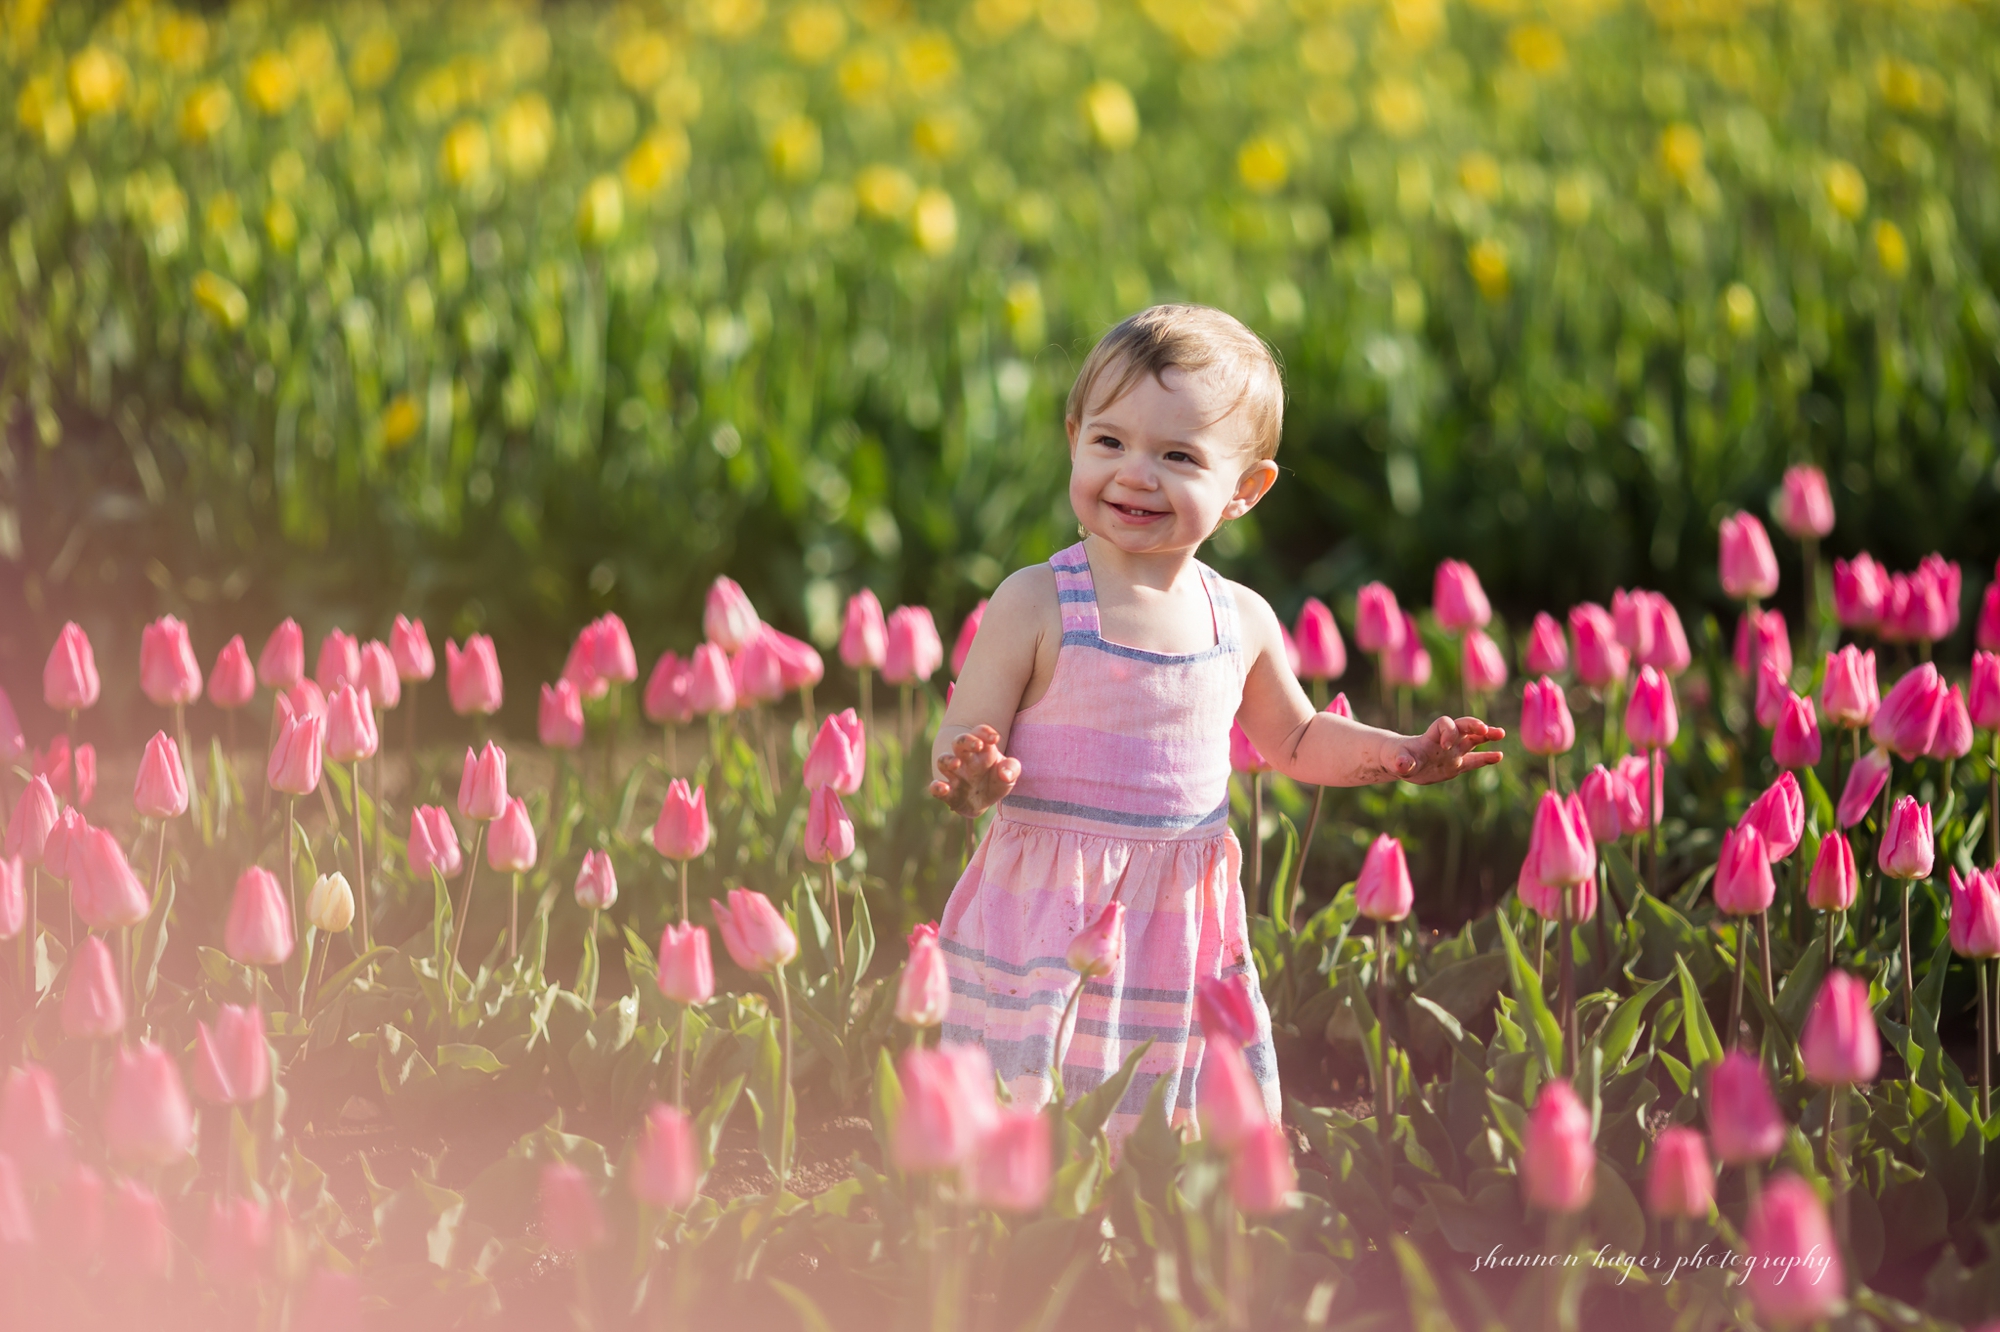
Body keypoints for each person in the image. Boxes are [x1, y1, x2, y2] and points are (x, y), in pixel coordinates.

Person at [929, 304, 1503, 1143]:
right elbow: (961, 738)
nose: (1135, 474)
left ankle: (1155, 1224)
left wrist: (1404, 754)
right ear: (1073, 437)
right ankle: (1026, 1228)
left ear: (1244, 490)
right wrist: (970, 774)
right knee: (1032, 1093)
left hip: (1174, 919)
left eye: (1178, 456)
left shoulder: (1240, 620)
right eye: (1110, 442)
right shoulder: (1037, 602)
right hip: (1049, 913)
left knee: (1167, 1107)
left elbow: (1298, 740)